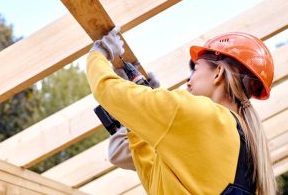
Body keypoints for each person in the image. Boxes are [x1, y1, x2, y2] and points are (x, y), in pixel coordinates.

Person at [86, 27, 276, 194]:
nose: (188, 80)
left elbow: (107, 91)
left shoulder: (198, 113)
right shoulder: (249, 148)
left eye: (196, 68)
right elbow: (158, 182)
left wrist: (100, 53)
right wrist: (139, 121)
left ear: (218, 72)